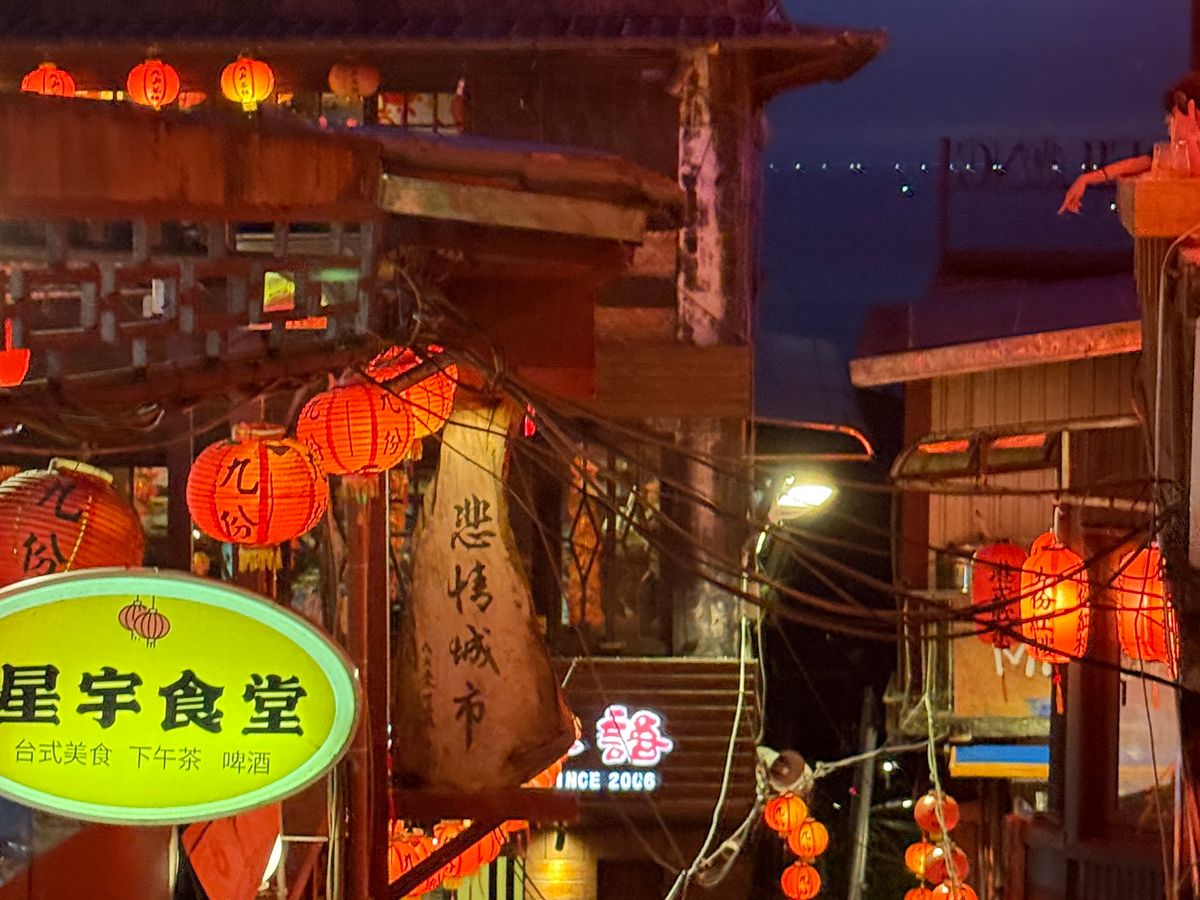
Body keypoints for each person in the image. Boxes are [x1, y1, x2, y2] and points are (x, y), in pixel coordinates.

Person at [1059, 75, 1200, 214]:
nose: (1167, 120)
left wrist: (1192, 139)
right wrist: (1085, 179)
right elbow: (1137, 164)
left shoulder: (1187, 152)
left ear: (1195, 113)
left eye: (1173, 114)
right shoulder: (1174, 155)